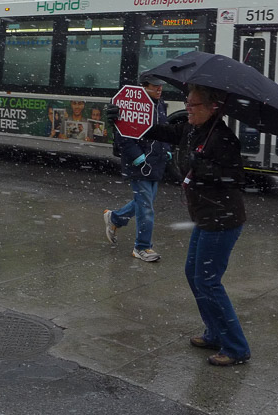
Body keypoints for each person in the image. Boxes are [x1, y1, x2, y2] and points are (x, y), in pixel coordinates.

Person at [125, 84, 250, 365]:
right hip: (204, 216)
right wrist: (126, 119)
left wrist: (202, 166)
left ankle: (236, 347)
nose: (188, 109)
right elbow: (161, 131)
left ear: (212, 107)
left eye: (194, 105)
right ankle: (215, 333)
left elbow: (235, 178)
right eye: (187, 103)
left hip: (222, 219)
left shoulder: (223, 138)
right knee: (193, 274)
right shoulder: (192, 130)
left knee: (207, 280)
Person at [103, 74, 172, 262]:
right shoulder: (130, 104)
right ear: (144, 86)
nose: (159, 89)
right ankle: (142, 247)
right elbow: (123, 136)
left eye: (161, 86)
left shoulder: (159, 104)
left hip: (155, 162)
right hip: (139, 165)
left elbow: (164, 128)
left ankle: (115, 218)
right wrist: (138, 158)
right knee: (146, 206)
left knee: (145, 201)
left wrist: (166, 149)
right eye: (155, 86)